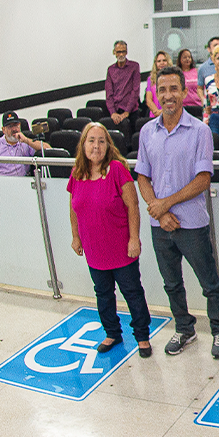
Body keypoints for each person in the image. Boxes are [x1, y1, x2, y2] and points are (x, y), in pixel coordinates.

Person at [136, 66, 219, 358]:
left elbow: (203, 179)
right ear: (156, 92)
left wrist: (165, 204)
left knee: (209, 282)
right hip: (160, 226)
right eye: (162, 90)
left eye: (173, 89)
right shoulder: (147, 131)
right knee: (172, 283)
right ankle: (184, 328)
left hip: (191, 224)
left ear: (183, 91)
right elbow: (142, 176)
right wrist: (159, 211)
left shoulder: (199, 131)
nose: (168, 96)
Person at [68, 122, 152, 357]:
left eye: (101, 141)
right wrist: (76, 236)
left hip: (120, 248)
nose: (96, 146)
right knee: (103, 294)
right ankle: (112, 333)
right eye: (91, 140)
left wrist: (134, 238)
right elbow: (73, 207)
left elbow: (132, 206)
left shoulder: (117, 169)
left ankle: (142, 336)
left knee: (132, 292)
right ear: (83, 145)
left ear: (108, 145)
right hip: (94, 249)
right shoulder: (77, 173)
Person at [0, 111, 49, 176]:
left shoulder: (26, 143)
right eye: (10, 127)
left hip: (21, 184)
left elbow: (48, 149)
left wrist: (26, 140)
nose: (14, 129)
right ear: (3, 130)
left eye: (16, 125)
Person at [105, 40, 142, 127]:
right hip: (115, 112)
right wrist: (113, 112)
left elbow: (135, 90)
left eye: (123, 52)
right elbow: (109, 93)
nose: (121, 55)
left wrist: (127, 112)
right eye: (118, 52)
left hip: (131, 112)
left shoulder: (134, 66)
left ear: (127, 52)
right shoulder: (110, 70)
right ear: (114, 52)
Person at [144, 51, 172, 117]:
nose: (162, 63)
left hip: (170, 114)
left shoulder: (173, 77)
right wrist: (156, 112)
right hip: (155, 115)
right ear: (155, 63)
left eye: (164, 60)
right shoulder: (150, 79)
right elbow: (148, 99)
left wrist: (164, 112)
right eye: (159, 61)